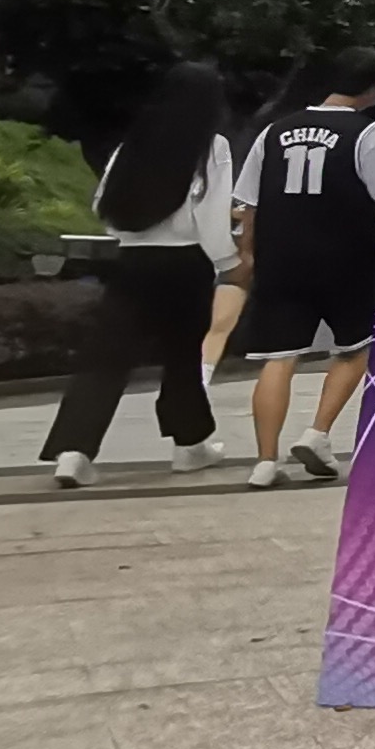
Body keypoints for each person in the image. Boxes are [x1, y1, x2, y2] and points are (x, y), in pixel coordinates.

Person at [41, 62, 236, 486]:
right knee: (183, 357)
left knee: (106, 356)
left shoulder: (134, 142)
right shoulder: (211, 146)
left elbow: (102, 203)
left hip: (131, 261)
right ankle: (189, 446)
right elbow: (212, 213)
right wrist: (228, 261)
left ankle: (74, 452)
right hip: (185, 263)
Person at [228, 49, 375, 487]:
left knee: (279, 357)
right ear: (371, 90)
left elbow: (246, 204)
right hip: (345, 257)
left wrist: (247, 255)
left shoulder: (274, 131)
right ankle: (318, 433)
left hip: (280, 256)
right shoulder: (369, 133)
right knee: (356, 346)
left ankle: (265, 462)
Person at [203, 57, 335, 375]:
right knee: (226, 322)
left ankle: (202, 374)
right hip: (251, 244)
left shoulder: (259, 136)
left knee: (218, 322)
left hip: (232, 242)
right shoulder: (270, 138)